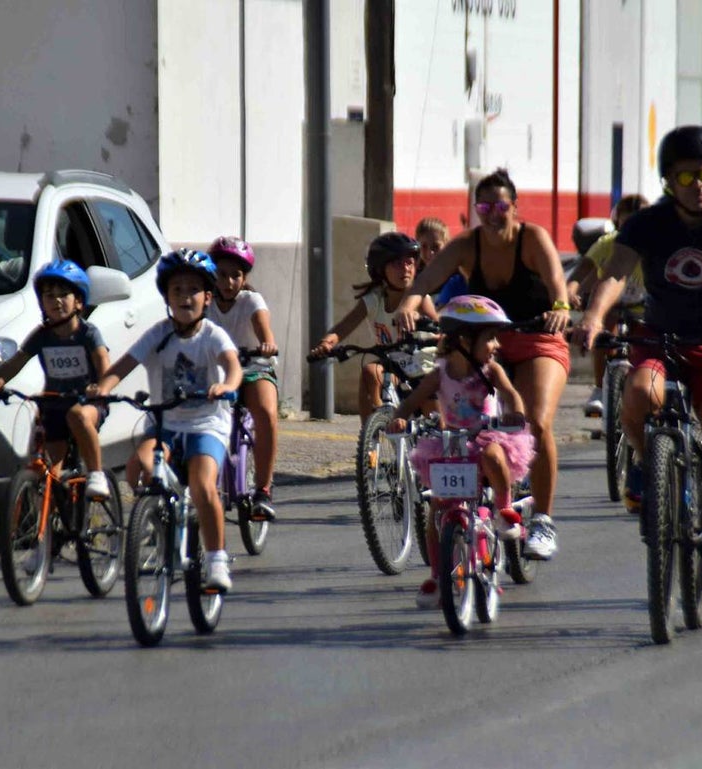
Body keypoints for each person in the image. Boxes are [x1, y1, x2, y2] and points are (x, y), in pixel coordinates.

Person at [572, 125, 702, 592]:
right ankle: (644, 462)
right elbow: (617, 272)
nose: (699, 185)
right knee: (637, 393)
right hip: (660, 338)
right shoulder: (647, 223)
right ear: (667, 181)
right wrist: (595, 317)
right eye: (686, 177)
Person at [395, 168, 572, 562]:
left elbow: (557, 282)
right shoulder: (467, 245)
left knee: (536, 422)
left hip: (538, 339)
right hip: (486, 344)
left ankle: (542, 518)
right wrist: (409, 303)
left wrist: (560, 307)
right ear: (477, 210)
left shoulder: (532, 238)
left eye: (501, 205)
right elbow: (426, 281)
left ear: (515, 207)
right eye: (484, 206)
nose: (493, 213)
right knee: (454, 416)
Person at [96, 249, 242, 592]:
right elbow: (122, 367)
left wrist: (227, 385)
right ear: (166, 297)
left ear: (208, 297)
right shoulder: (158, 334)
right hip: (165, 424)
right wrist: (102, 389)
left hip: (207, 424)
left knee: (203, 483)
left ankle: (217, 559)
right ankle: (158, 519)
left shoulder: (212, 335)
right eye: (177, 290)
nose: (185, 297)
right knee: (137, 468)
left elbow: (233, 365)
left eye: (193, 290)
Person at [387, 295, 534, 608]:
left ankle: (505, 510)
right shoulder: (439, 374)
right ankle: (438, 577)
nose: (496, 345)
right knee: (437, 510)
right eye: (490, 338)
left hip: (486, 436)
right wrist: (400, 417)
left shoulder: (492, 371)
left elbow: (511, 395)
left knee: (494, 455)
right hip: (451, 442)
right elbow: (412, 402)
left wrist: (515, 414)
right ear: (465, 340)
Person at [0, 261, 111, 498]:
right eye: (49, 295)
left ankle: (96, 473)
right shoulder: (42, 335)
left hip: (88, 403)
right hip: (55, 404)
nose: (56, 300)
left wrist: (101, 387)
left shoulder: (87, 333)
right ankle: (49, 522)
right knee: (50, 473)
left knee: (78, 416)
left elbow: (102, 359)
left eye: (63, 295)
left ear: (79, 301)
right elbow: (16, 362)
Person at [308, 232, 438, 422]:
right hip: (393, 366)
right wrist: (327, 343)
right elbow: (344, 326)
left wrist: (425, 323)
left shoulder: (419, 297)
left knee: (436, 425)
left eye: (409, 262)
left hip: (423, 366)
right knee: (370, 372)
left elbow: (439, 327)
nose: (406, 268)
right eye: (397, 263)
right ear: (380, 269)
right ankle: (373, 437)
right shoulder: (374, 299)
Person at [206, 236, 279, 521]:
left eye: (235, 275)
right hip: (218, 373)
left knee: (265, 412)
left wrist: (267, 344)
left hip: (253, 367)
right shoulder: (205, 301)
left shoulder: (251, 300)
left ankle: (263, 488)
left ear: (244, 277)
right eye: (221, 275)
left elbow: (264, 330)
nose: (228, 282)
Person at [566, 194, 650, 418]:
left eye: (639, 222)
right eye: (626, 222)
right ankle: (600, 388)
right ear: (617, 222)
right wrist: (569, 293)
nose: (632, 229)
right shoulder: (607, 243)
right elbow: (583, 270)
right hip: (612, 306)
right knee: (603, 329)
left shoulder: (655, 244)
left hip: (645, 310)